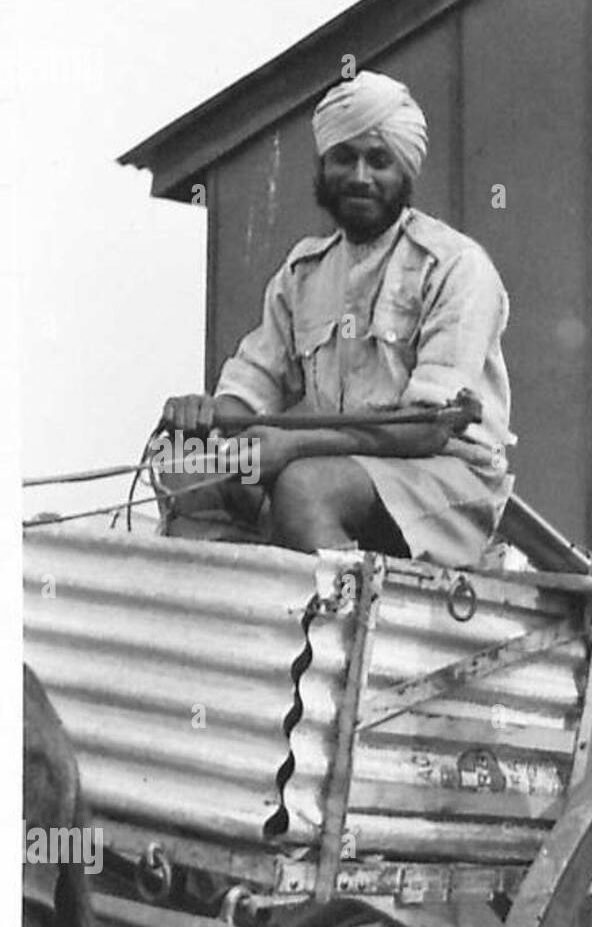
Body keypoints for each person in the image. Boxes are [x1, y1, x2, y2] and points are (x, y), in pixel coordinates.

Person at [160, 70, 513, 564]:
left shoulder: (455, 265)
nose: (361, 177)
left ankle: (344, 633)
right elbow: (247, 395)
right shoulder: (303, 273)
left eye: (379, 160)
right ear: (324, 166)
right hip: (334, 466)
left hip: (447, 479)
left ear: (405, 172)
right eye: (345, 158)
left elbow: (429, 427)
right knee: (188, 470)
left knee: (305, 488)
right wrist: (201, 415)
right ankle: (244, 626)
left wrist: (292, 445)